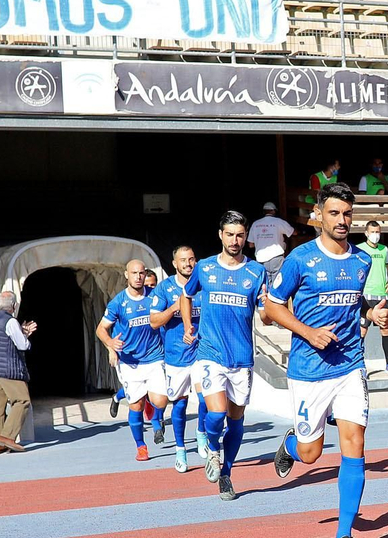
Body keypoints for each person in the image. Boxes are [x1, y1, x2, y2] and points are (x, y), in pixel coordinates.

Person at [266, 184, 388, 538]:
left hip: (350, 366)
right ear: (319, 215)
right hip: (308, 370)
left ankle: (344, 536)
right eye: (334, 213)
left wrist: (372, 315)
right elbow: (273, 308)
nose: (342, 221)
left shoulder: (362, 261)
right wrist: (308, 332)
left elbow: (355, 308)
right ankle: (291, 445)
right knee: (311, 452)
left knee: (355, 443)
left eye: (347, 214)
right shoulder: (300, 260)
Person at [181, 210, 269, 501]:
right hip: (210, 354)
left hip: (241, 358)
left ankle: (227, 475)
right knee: (216, 413)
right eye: (229, 234)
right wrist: (188, 325)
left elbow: (265, 316)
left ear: (246, 237)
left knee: (236, 421)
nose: (235, 240)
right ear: (220, 235)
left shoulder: (256, 271)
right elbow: (186, 294)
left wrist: (269, 309)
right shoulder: (204, 267)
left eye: (240, 235)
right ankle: (211, 449)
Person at [97, 259, 166, 462]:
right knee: (136, 405)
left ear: (145, 275)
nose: (138, 277)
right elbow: (101, 329)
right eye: (134, 273)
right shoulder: (119, 303)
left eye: (141, 273)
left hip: (154, 357)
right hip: (130, 362)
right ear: (126, 275)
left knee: (160, 399)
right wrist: (111, 345)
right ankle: (141, 446)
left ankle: (156, 420)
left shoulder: (154, 298)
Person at [149, 245, 210, 473]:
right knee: (180, 404)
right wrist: (176, 306)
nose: (188, 263)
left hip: (202, 353)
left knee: (206, 400)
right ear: (174, 263)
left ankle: (201, 434)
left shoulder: (204, 285)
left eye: (192, 259)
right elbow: (154, 322)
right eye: (183, 260)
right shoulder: (164, 289)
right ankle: (181, 449)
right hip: (176, 357)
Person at [0, 289, 34, 455]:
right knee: (22, 400)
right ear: (14, 306)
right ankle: (7, 437)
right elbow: (22, 345)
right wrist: (26, 336)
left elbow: (0, 339)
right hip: (7, 368)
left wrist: (20, 332)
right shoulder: (11, 322)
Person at [357, 220, 388, 376]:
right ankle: (360, 365)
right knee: (362, 330)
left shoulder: (384, 249)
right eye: (373, 232)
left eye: (378, 232)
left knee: (386, 329)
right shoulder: (360, 249)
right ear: (366, 233)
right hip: (366, 296)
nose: (376, 235)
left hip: (382, 296)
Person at [248, 202, 297, 282]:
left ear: (264, 211)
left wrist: (261, 241)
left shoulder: (255, 224)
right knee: (277, 285)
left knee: (264, 285)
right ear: (274, 211)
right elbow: (293, 232)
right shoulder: (279, 222)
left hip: (261, 259)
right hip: (276, 258)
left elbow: (251, 245)